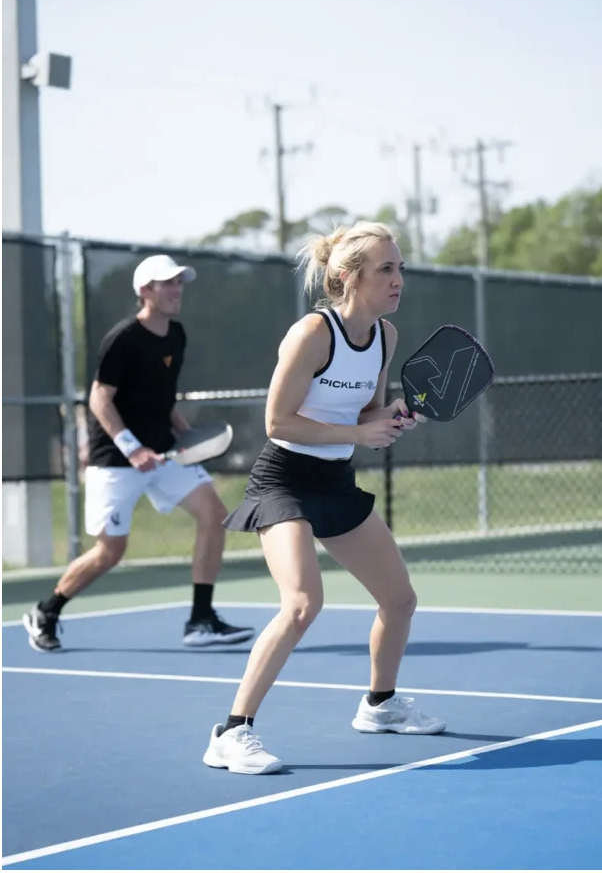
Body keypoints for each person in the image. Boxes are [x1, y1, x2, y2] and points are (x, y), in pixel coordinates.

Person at [202, 222, 446, 775]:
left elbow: (364, 414)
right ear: (346, 277)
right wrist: (361, 435)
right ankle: (231, 731)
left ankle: (380, 705)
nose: (398, 279)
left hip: (333, 481)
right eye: (386, 269)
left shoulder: (385, 336)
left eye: (400, 268)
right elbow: (277, 421)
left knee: (400, 601)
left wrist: (392, 417)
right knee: (302, 603)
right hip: (284, 479)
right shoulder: (313, 333)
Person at [23, 254, 255, 652]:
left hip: (163, 454)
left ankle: (200, 620)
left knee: (215, 514)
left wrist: (187, 436)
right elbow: (99, 398)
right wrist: (131, 449)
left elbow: (161, 399)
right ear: (145, 291)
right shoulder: (123, 339)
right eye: (168, 283)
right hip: (115, 461)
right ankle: (47, 610)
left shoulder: (176, 335)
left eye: (180, 282)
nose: (177, 289)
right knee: (111, 551)